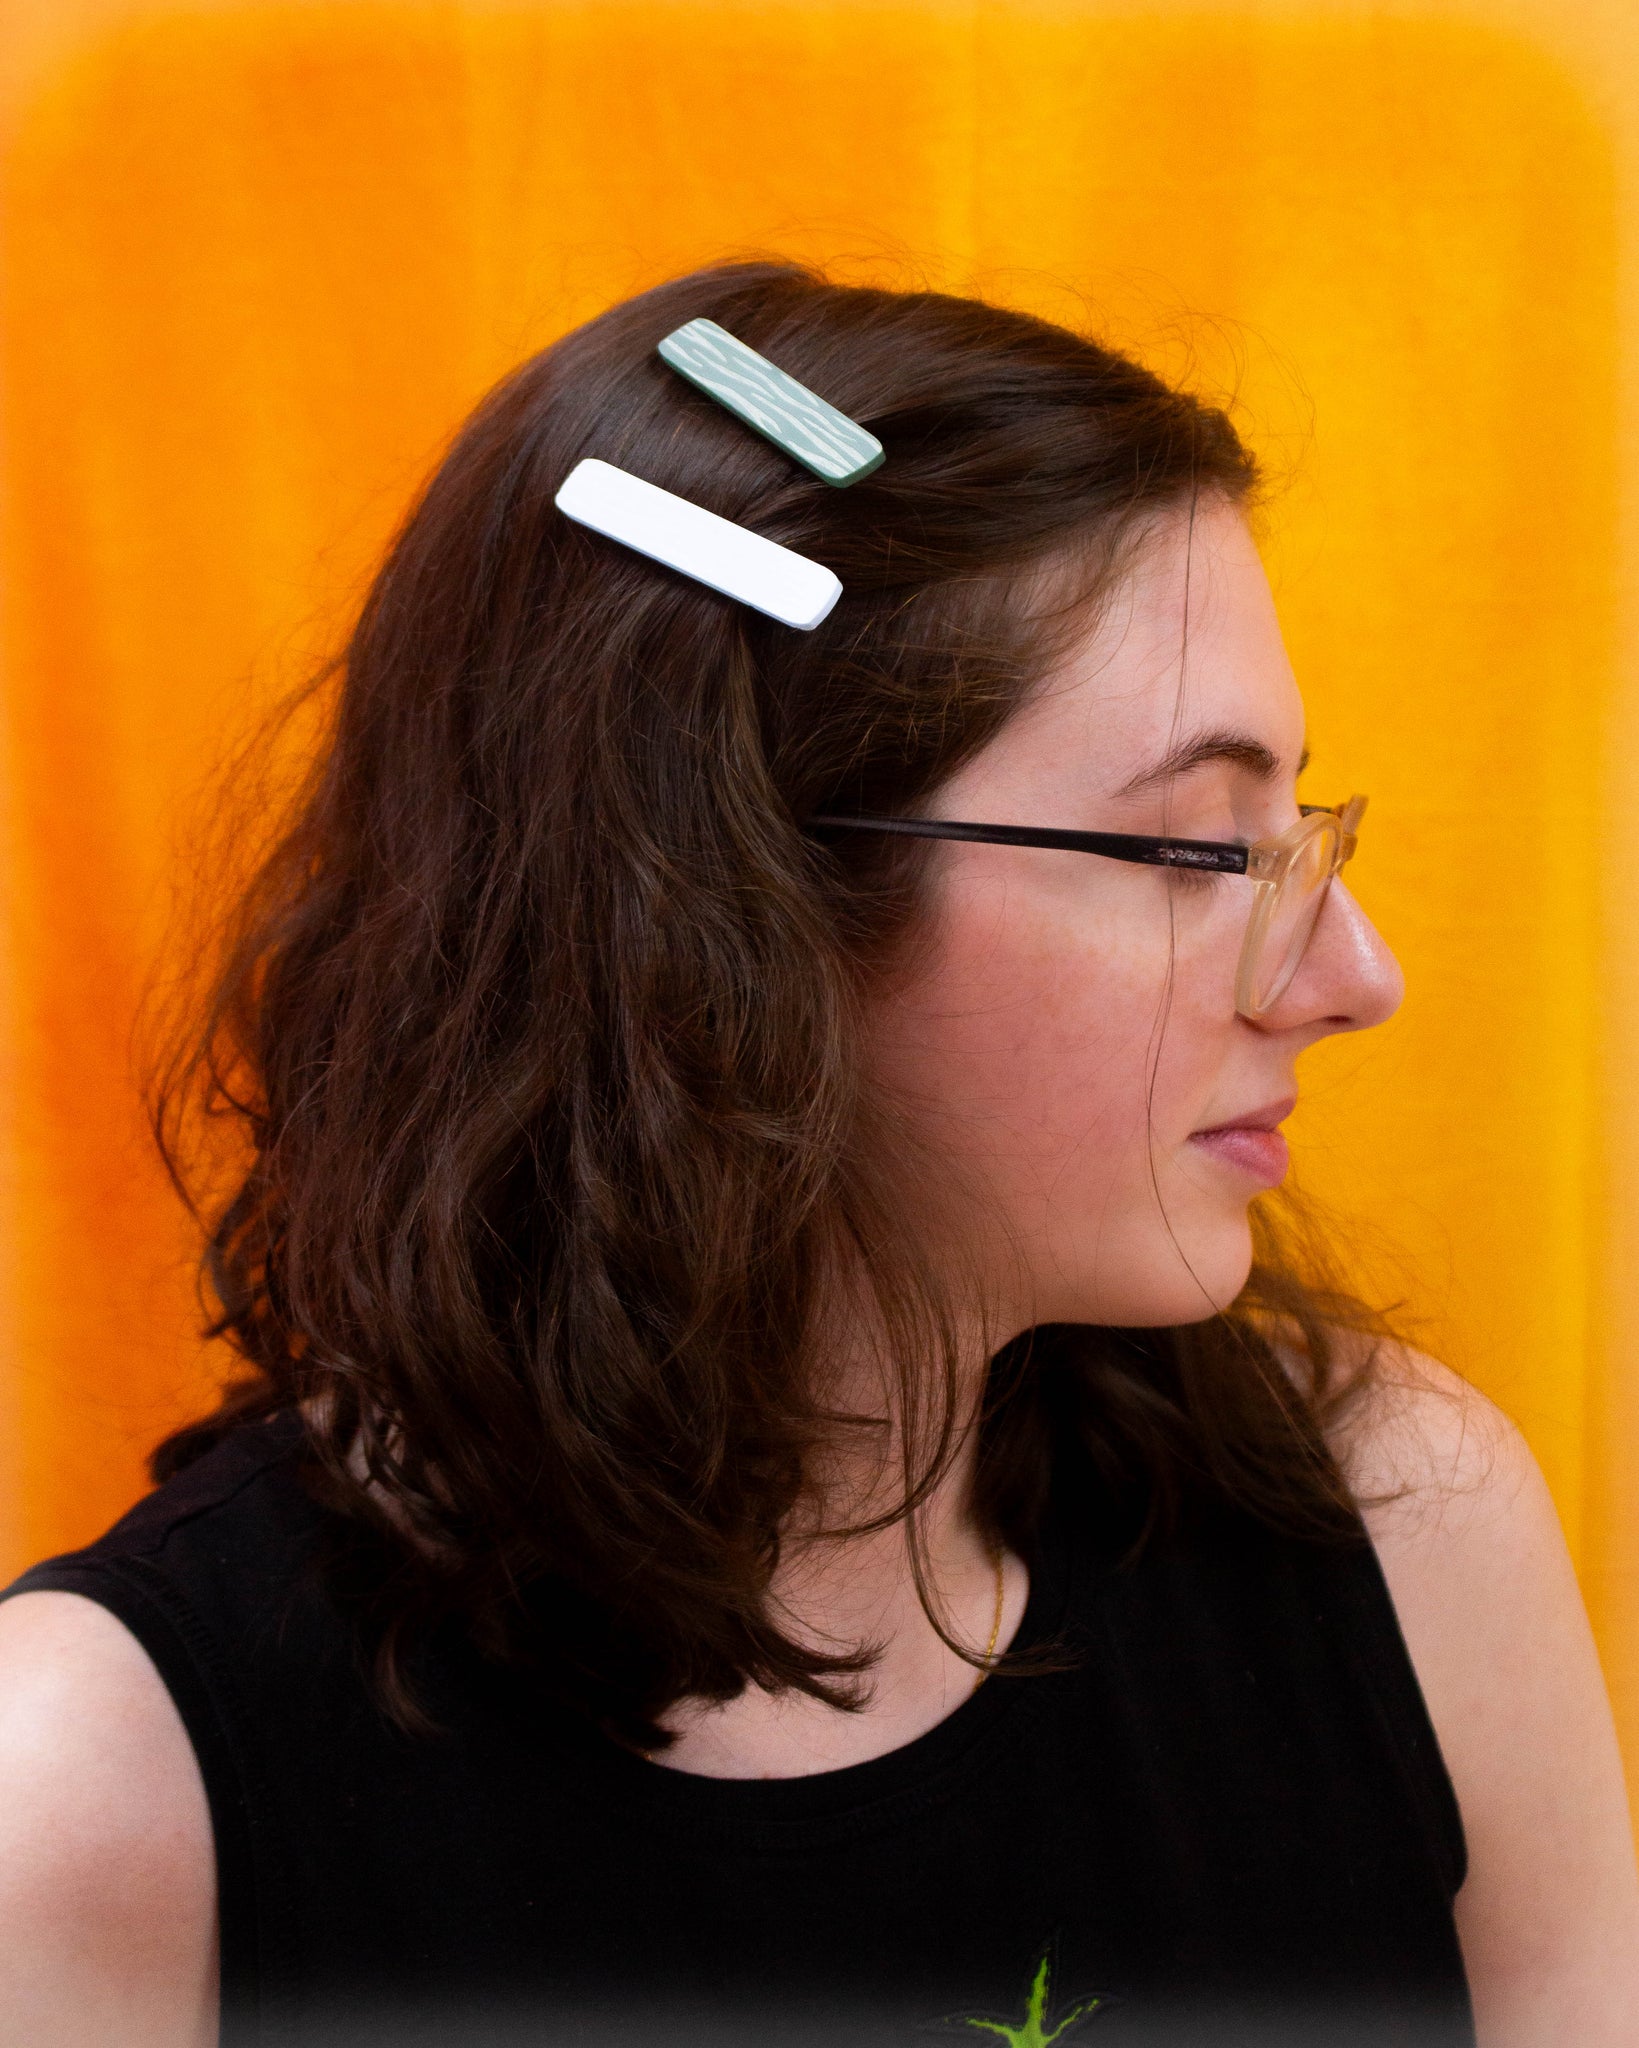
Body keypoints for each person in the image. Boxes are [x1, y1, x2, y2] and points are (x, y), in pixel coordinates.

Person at [0, 261, 1634, 2048]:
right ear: (727, 915)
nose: (1354, 979)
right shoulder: (100, 1796)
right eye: (1197, 850)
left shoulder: (1402, 1531)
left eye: (1295, 825)